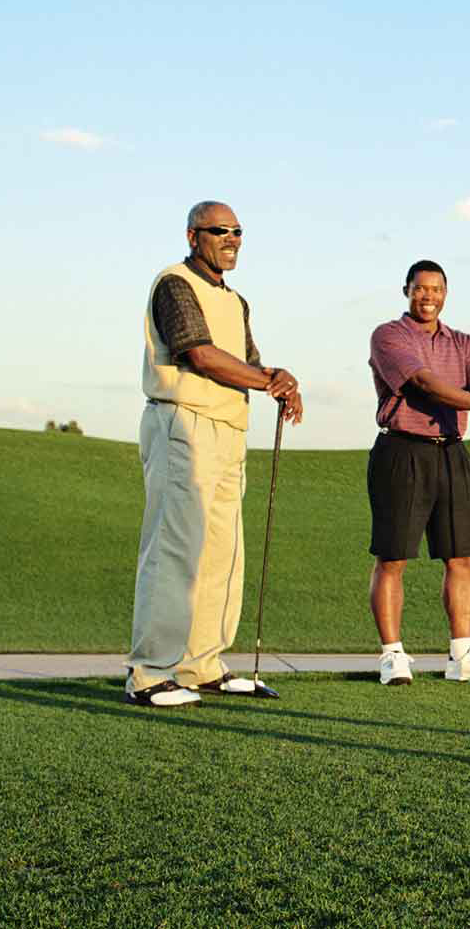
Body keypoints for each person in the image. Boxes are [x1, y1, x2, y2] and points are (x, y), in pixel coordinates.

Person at [126, 201, 303, 706]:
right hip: (183, 422)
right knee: (175, 548)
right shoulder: (175, 283)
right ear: (192, 235)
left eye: (238, 231)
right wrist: (271, 380)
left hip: (227, 428)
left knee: (223, 552)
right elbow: (199, 353)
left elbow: (247, 362)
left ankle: (201, 664)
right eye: (219, 230)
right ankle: (149, 673)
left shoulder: (237, 300)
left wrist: (278, 380)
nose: (231, 238)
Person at [367, 260, 470, 685]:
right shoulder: (389, 335)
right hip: (402, 450)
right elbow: (423, 384)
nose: (427, 296)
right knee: (393, 556)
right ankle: (392, 655)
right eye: (420, 289)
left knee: (462, 555)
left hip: (451, 452)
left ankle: (462, 655)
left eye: (435, 289)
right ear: (407, 290)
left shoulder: (464, 342)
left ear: (445, 294)